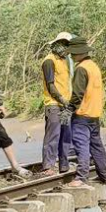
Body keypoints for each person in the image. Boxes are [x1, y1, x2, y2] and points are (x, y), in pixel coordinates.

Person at [67, 36, 106, 185]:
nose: (72, 56)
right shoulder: (94, 66)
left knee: (82, 145)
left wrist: (69, 110)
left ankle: (81, 176)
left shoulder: (81, 69)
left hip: (82, 114)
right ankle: (105, 175)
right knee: (96, 146)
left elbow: (77, 94)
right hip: (94, 114)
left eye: (73, 54)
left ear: (79, 53)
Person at [39, 32, 74, 176]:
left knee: (66, 136)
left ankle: (64, 165)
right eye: (65, 45)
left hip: (65, 105)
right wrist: (61, 99)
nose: (67, 49)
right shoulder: (49, 61)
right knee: (53, 135)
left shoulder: (64, 61)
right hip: (54, 104)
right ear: (58, 45)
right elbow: (50, 85)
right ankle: (48, 166)